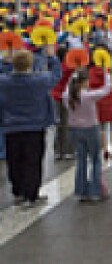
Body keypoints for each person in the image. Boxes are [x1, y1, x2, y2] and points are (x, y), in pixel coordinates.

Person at [0, 46, 62, 208]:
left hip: (11, 126)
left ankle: (18, 192)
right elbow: (56, 75)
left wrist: (4, 62)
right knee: (33, 161)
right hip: (35, 126)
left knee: (14, 161)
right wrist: (51, 57)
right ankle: (31, 194)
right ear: (30, 64)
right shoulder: (39, 82)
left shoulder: (4, 82)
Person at [62, 67, 112, 202]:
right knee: (96, 159)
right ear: (84, 82)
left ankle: (81, 191)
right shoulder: (89, 96)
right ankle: (95, 191)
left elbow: (68, 87)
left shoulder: (67, 96)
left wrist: (73, 74)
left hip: (74, 129)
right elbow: (107, 89)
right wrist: (106, 72)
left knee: (81, 160)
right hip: (91, 128)